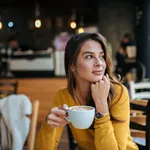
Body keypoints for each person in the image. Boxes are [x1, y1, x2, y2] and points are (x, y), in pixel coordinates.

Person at [35, 33, 138, 150]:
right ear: (72, 65)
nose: (99, 63)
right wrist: (49, 126)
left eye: (102, 56)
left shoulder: (118, 93)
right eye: (89, 56)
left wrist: (101, 105)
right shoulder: (63, 96)